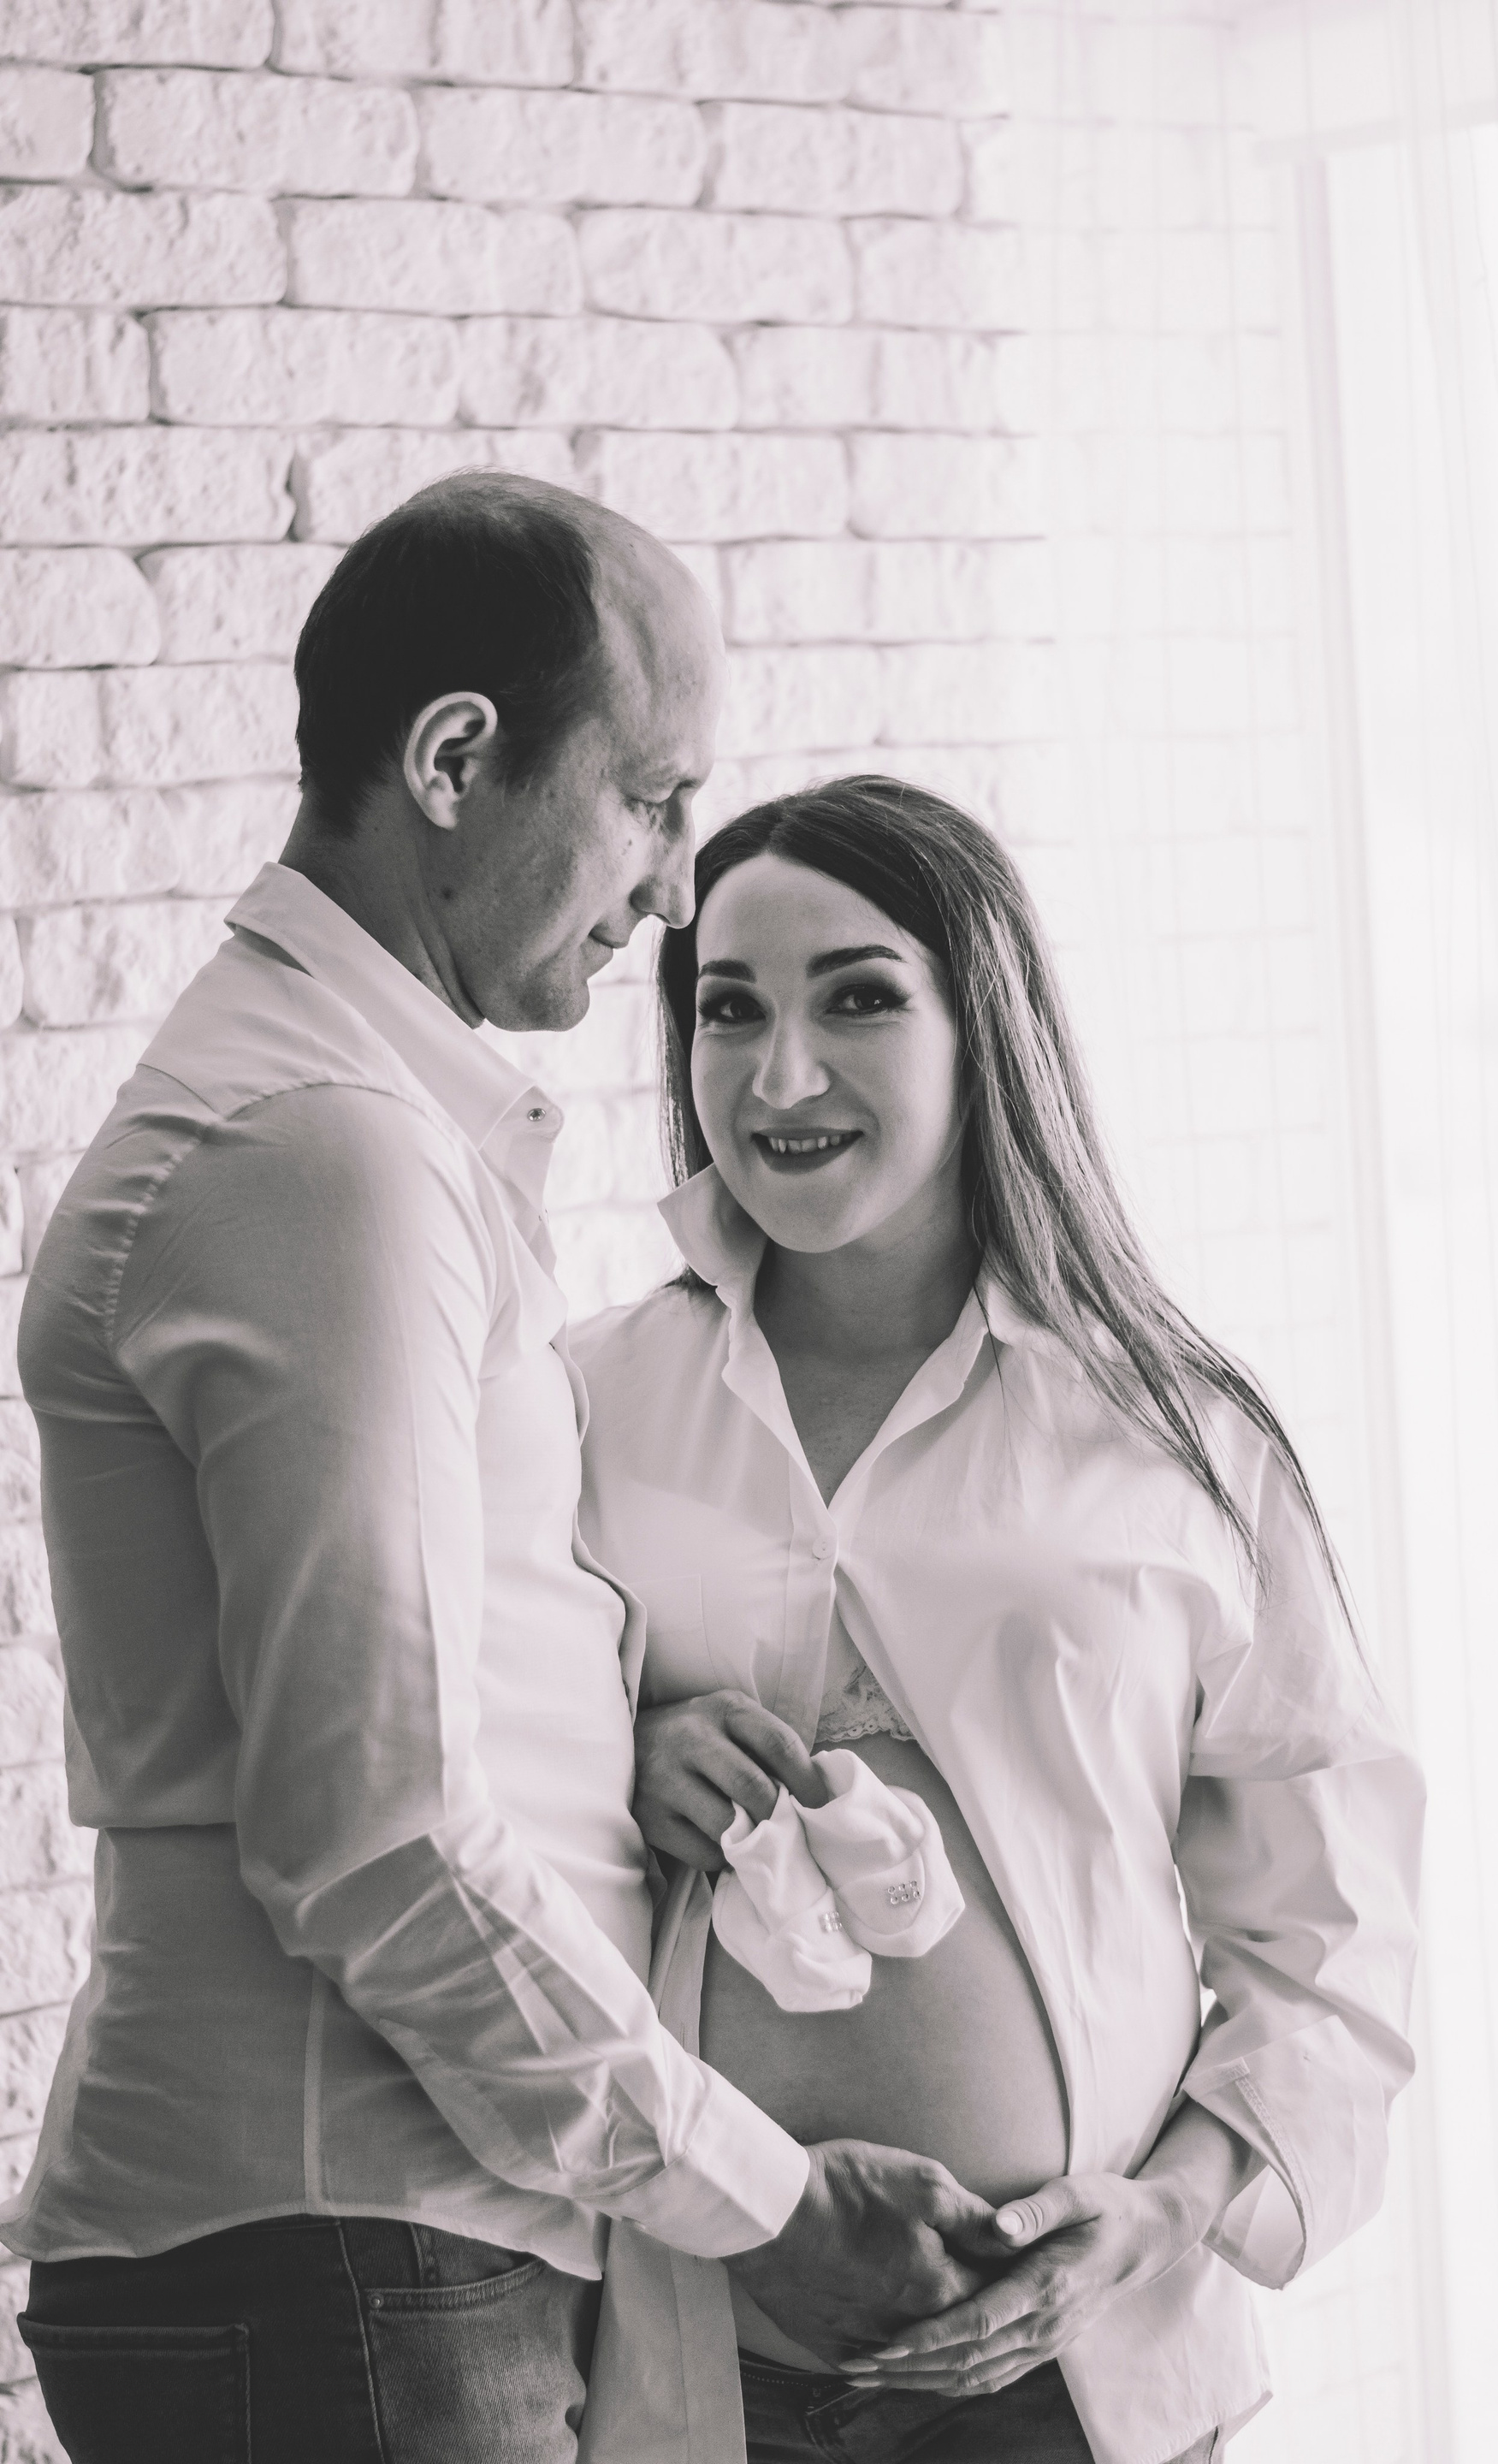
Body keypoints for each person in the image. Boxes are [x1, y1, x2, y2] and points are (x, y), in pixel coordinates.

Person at [3, 489, 994, 2464]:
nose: (677, 887)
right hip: (350, 2262)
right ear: (454, 761)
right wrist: (764, 2205)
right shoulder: (329, 1152)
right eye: (651, 799)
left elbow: (370, 1717)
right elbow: (375, 1830)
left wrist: (626, 1741)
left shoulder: (348, 1125)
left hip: (364, 2259)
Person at [571, 778, 1426, 2464]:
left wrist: (1163, 2213)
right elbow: (453, 1803)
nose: (779, 1077)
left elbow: (1331, 1938)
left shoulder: (1176, 1435)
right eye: (728, 1009)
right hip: (703, 2380)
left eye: (858, 1000)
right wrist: (622, 1757)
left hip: (1077, 2384)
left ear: (988, 1028)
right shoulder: (585, 1405)